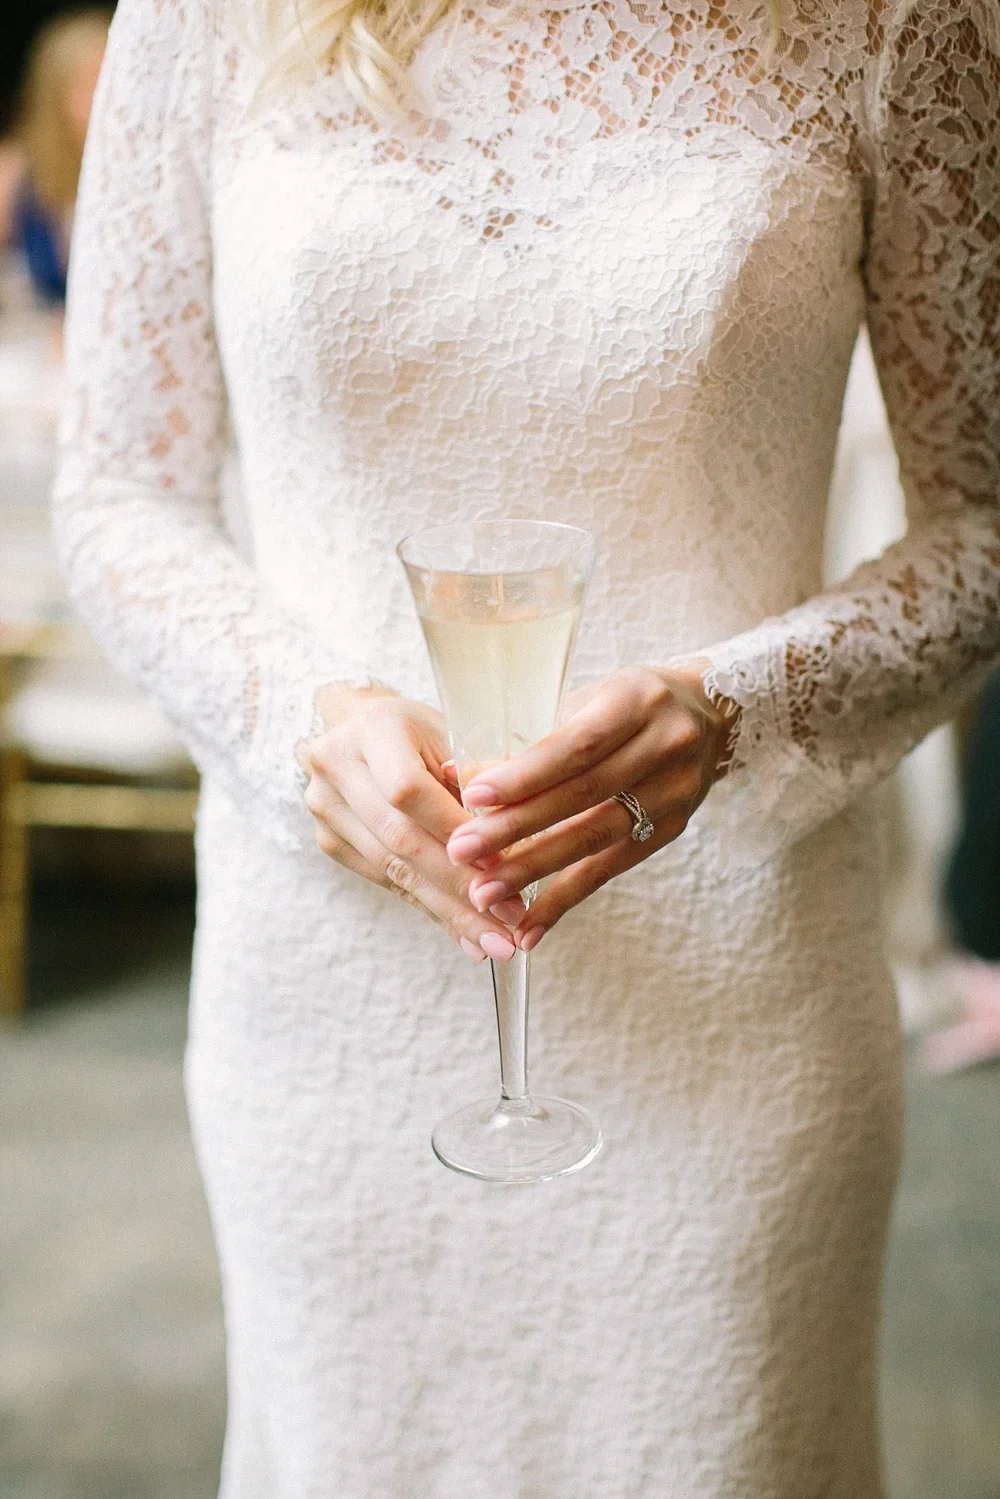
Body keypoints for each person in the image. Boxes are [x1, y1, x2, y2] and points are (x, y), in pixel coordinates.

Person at [53, 0, 999, 1491]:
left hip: (739, 998)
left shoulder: (895, 21)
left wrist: (734, 706)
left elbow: (986, 524)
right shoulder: (204, 19)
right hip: (335, 991)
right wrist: (302, 719)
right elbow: (114, 490)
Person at [0, 9, 111, 306]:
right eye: (95, 82)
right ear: (56, 94)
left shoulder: (154, 173)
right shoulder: (16, 174)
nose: (111, 97)